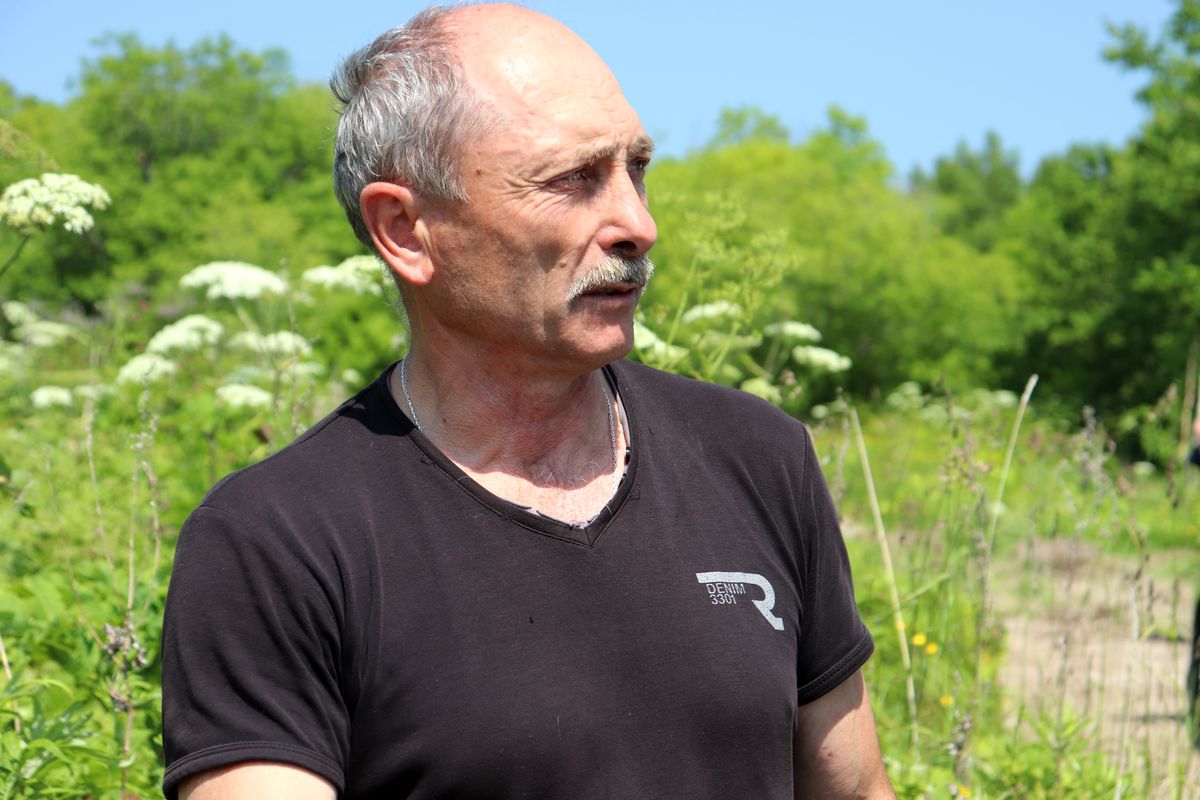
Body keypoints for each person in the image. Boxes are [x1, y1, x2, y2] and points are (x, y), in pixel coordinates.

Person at [160, 4, 894, 799]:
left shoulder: (757, 459)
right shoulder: (277, 541)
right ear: (404, 229)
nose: (638, 224)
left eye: (637, 168)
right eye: (572, 180)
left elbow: (854, 790)